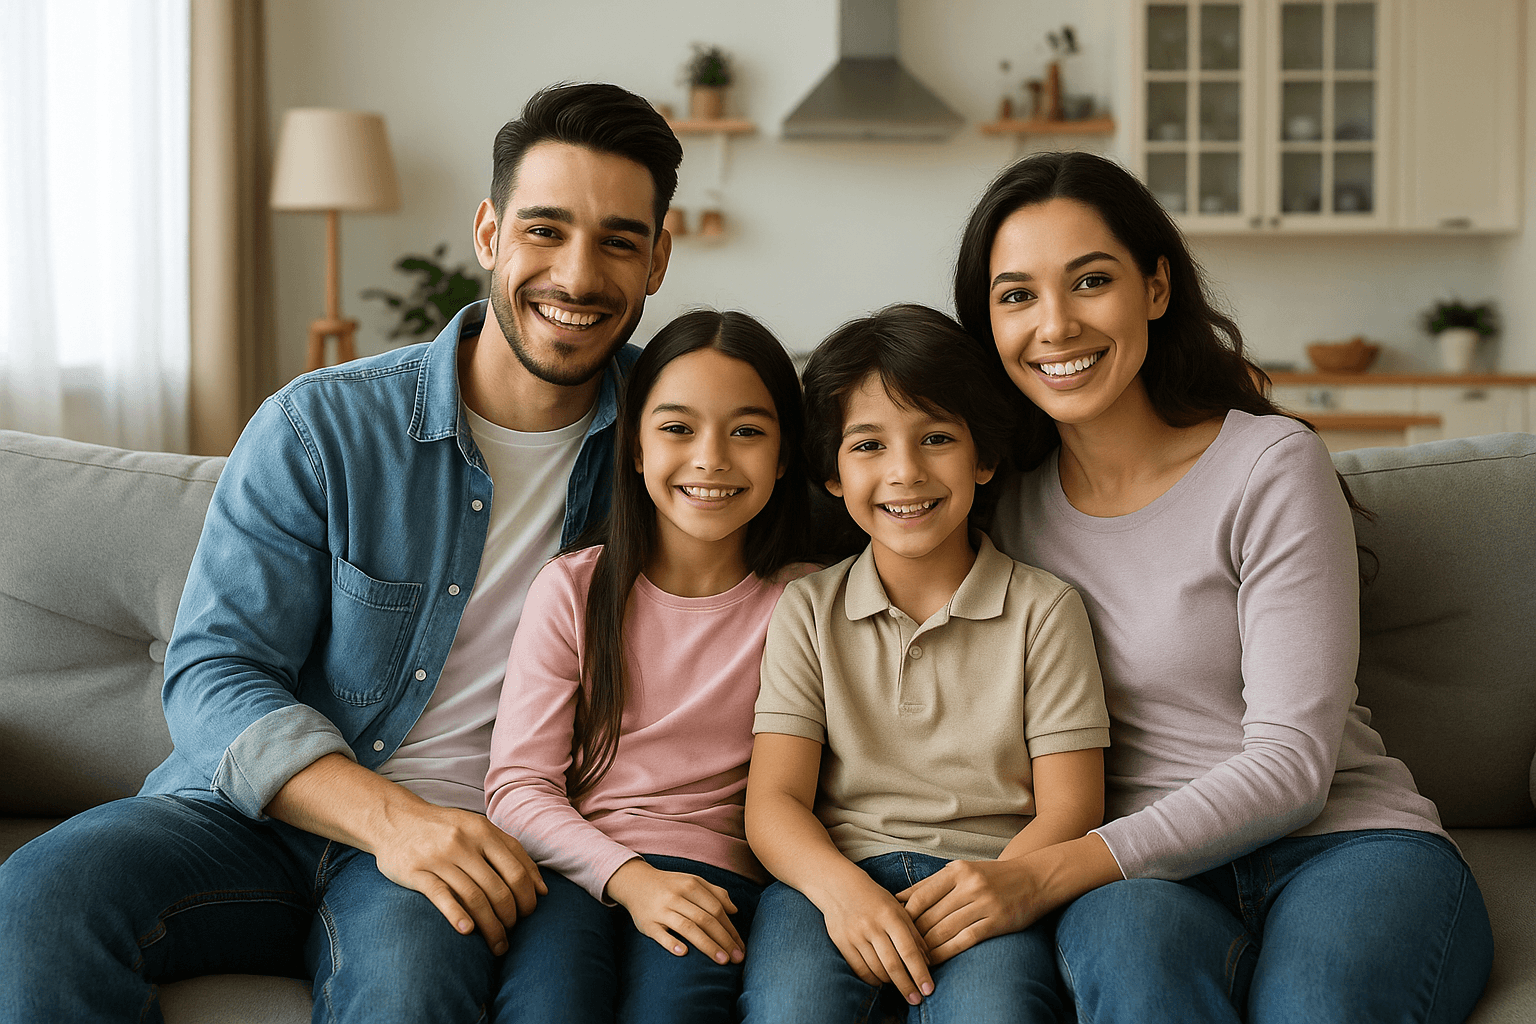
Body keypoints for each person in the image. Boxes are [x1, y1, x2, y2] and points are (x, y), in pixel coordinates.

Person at [0, 82, 681, 1023]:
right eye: (545, 230)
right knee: (34, 898)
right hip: (244, 817)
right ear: (489, 234)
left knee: (407, 988)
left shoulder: (683, 446)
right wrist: (389, 819)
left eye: (618, 240)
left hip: (465, 844)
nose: (576, 275)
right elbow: (213, 670)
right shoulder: (323, 424)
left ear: (658, 261)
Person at [936, 149, 1494, 1023]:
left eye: (1090, 281)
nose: (1055, 326)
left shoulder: (1268, 465)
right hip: (1148, 885)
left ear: (1156, 288)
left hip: (1343, 846)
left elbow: (1294, 768)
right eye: (1016, 295)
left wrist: (1047, 871)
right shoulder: (995, 509)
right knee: (1130, 969)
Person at [738, 304, 1110, 1023]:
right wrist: (841, 892)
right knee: (792, 1010)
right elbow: (774, 801)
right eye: (869, 445)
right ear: (833, 474)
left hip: (991, 878)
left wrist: (993, 888)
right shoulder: (808, 608)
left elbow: (1074, 806)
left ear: (984, 457)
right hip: (834, 879)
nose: (905, 473)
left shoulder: (1046, 610)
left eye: (936, 438)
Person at [484, 309, 810, 1023]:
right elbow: (516, 788)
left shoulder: (809, 603)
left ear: (785, 455)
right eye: (677, 428)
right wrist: (630, 878)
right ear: (633, 446)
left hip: (718, 880)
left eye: (747, 431)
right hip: (575, 868)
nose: (711, 459)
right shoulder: (574, 589)